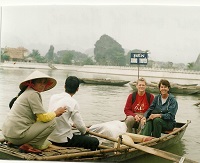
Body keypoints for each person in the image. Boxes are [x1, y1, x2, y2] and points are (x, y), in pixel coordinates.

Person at [2, 70, 67, 154]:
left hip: (8, 134)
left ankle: (17, 141)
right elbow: (43, 118)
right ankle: (30, 145)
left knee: (46, 132)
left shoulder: (27, 92)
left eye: (44, 83)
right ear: (32, 83)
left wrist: (53, 114)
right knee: (52, 122)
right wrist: (55, 113)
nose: (42, 85)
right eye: (40, 82)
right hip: (16, 135)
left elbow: (38, 118)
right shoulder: (33, 94)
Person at [47, 76, 99, 151]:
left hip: (49, 137)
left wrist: (71, 124)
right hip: (61, 140)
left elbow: (58, 117)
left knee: (75, 135)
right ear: (77, 89)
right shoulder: (73, 102)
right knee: (94, 141)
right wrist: (85, 130)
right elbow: (80, 125)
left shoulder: (53, 97)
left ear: (64, 86)